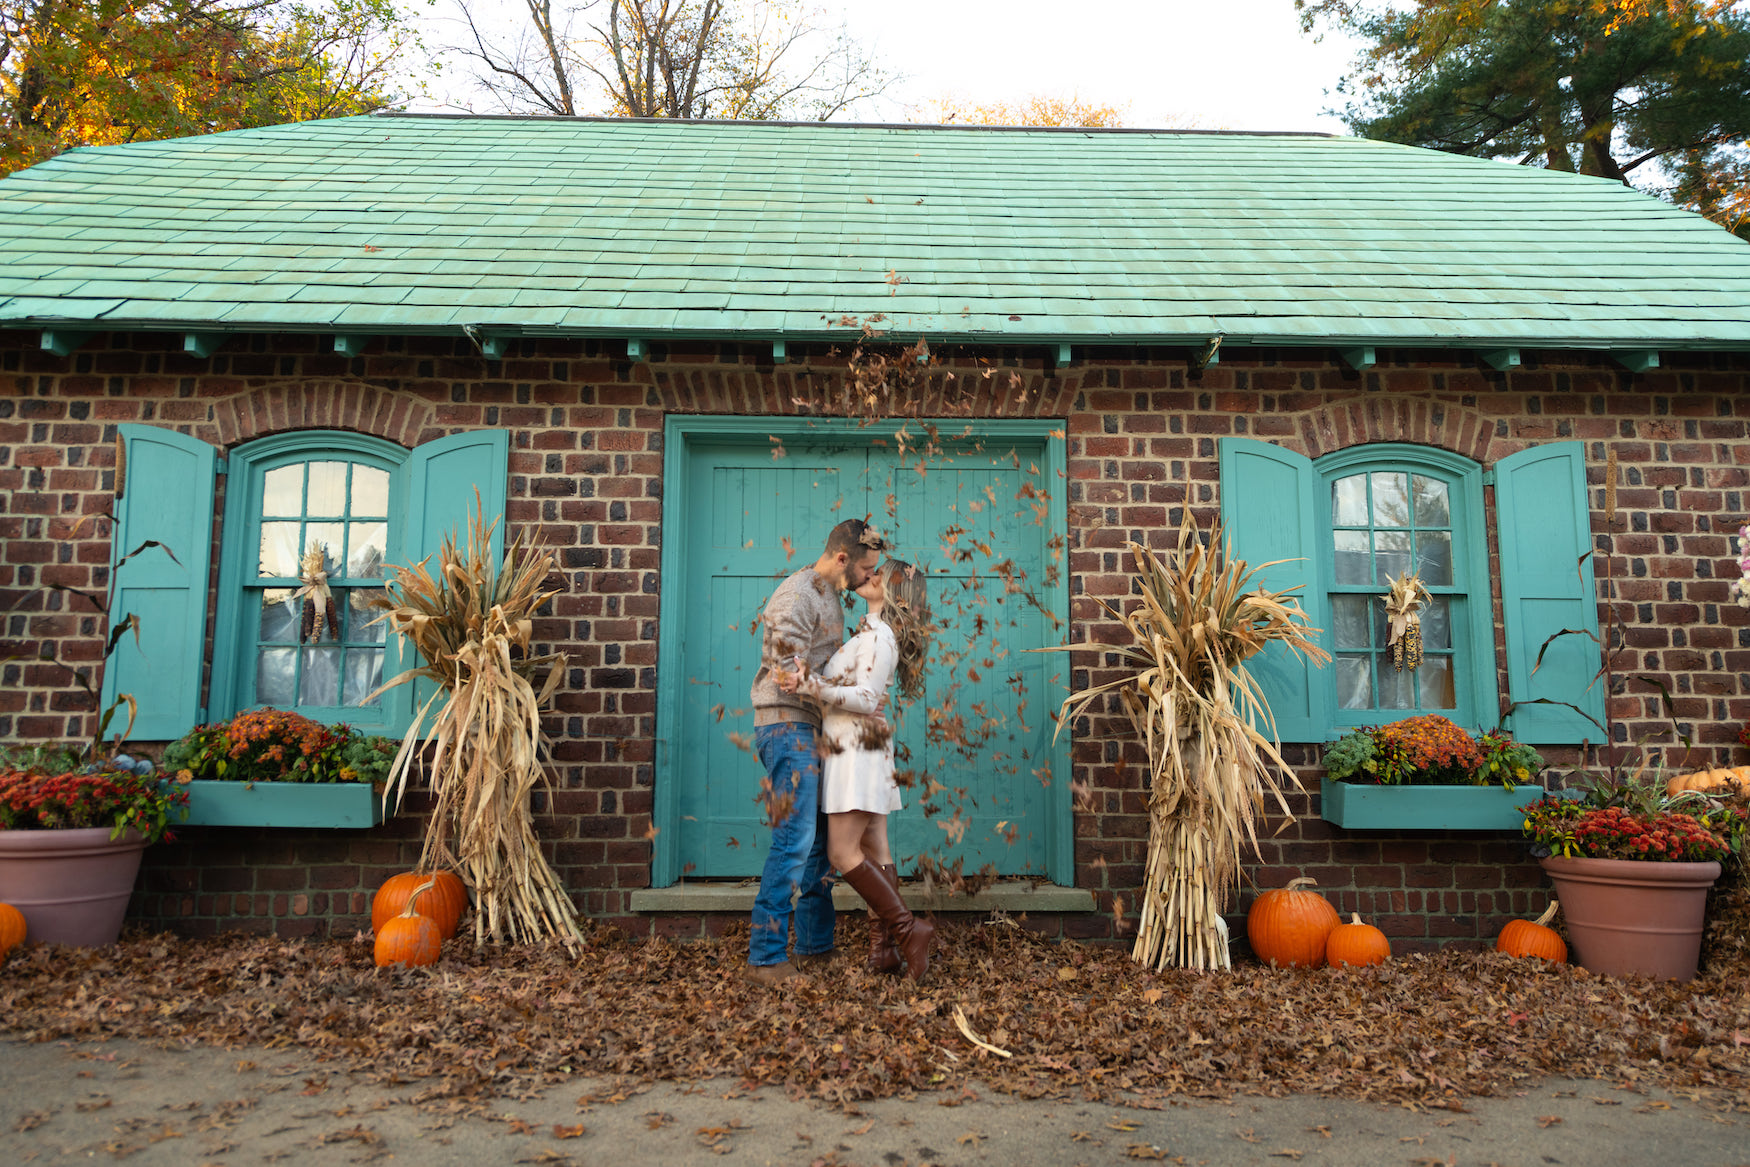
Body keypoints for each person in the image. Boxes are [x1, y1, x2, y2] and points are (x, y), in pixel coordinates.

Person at [744, 517, 885, 988]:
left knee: (819, 846)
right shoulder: (797, 596)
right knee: (795, 840)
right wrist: (835, 688)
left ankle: (814, 946)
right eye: (865, 570)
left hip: (810, 725)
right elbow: (787, 674)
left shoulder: (830, 597)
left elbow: (818, 671)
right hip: (785, 726)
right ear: (842, 559)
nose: (869, 578)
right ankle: (765, 959)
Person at [789, 559, 934, 981]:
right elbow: (868, 695)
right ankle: (883, 950)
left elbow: (868, 698)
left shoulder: (880, 636)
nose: (869, 575)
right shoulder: (872, 634)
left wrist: (809, 686)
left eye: (879, 574)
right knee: (875, 848)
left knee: (841, 852)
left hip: (856, 750)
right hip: (862, 746)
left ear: (894, 592)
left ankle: (909, 931)